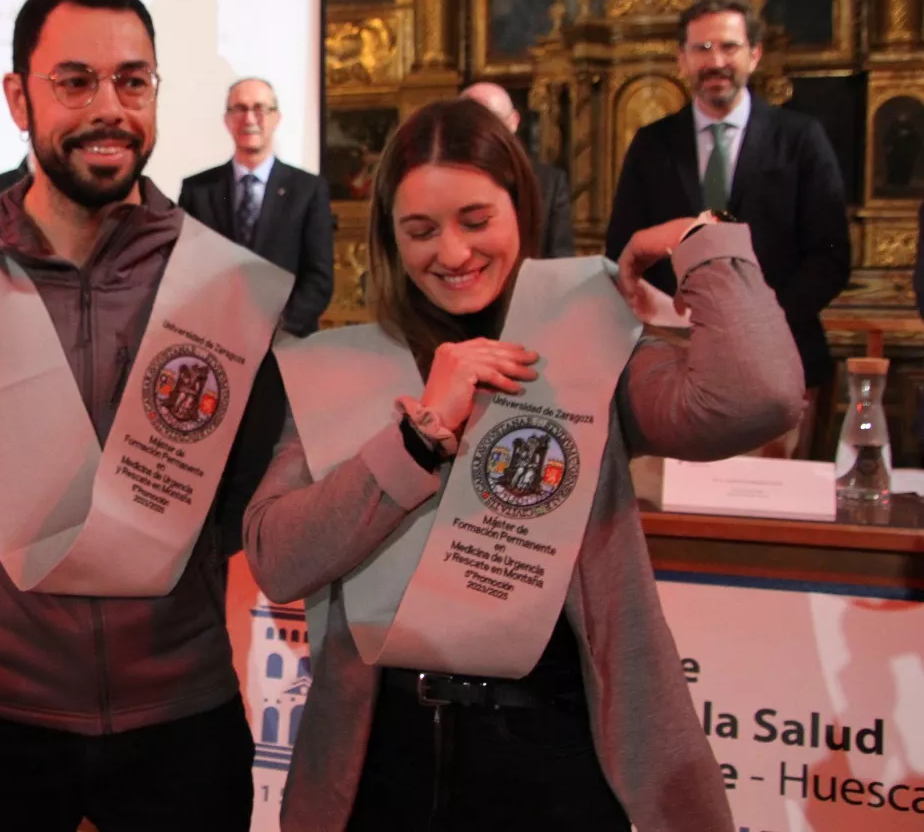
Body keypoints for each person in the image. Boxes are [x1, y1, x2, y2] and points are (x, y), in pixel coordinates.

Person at [242, 96, 804, 832]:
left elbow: (758, 398)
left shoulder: (585, 346)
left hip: (554, 755)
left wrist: (699, 241)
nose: (451, 253)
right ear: (387, 239)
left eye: (476, 221)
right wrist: (421, 435)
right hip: (382, 761)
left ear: (521, 209)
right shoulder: (341, 369)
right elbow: (277, 558)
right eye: (420, 230)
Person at [0, 0, 291, 832]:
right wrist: (0, 560)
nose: (109, 107)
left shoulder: (218, 282)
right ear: (18, 96)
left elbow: (244, 487)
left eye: (132, 82)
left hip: (182, 709)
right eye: (75, 81)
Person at [606, 0, 849, 457]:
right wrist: (676, 321)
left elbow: (831, 255)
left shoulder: (801, 138)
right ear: (682, 59)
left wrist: (757, 321)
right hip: (674, 366)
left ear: (754, 54)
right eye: (702, 48)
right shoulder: (652, 143)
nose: (715, 61)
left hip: (784, 360)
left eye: (730, 47)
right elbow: (623, 248)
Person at [179, 77, 335, 336]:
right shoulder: (198, 190)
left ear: (277, 118)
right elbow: (186, 272)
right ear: (227, 120)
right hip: (216, 341)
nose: (250, 119)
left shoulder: (308, 190)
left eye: (260, 109)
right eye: (239, 109)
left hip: (286, 345)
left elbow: (319, 279)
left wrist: (273, 331)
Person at [462, 81, 574, 257]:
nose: (484, 131)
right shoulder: (436, 181)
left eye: (493, 120)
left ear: (514, 121)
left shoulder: (548, 182)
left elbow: (560, 257)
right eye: (472, 121)